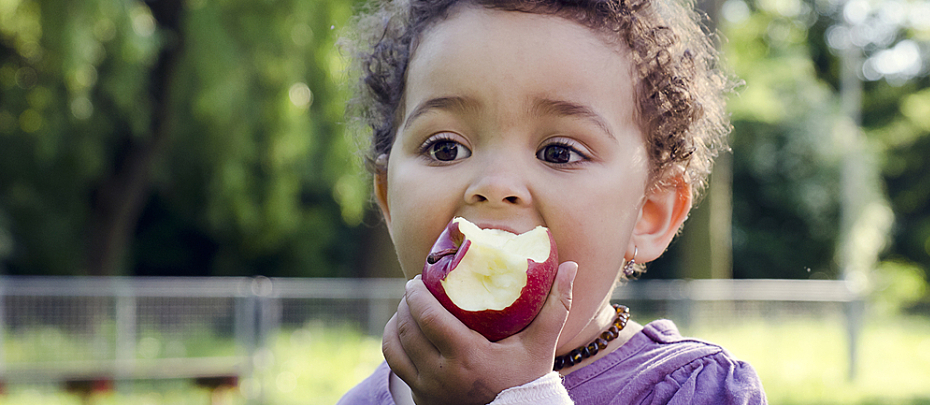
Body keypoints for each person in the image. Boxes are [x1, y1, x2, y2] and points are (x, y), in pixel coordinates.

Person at [338, 0, 765, 403]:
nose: (495, 185)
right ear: (387, 198)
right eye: (445, 148)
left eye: (558, 152)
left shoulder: (694, 392)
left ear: (648, 214)